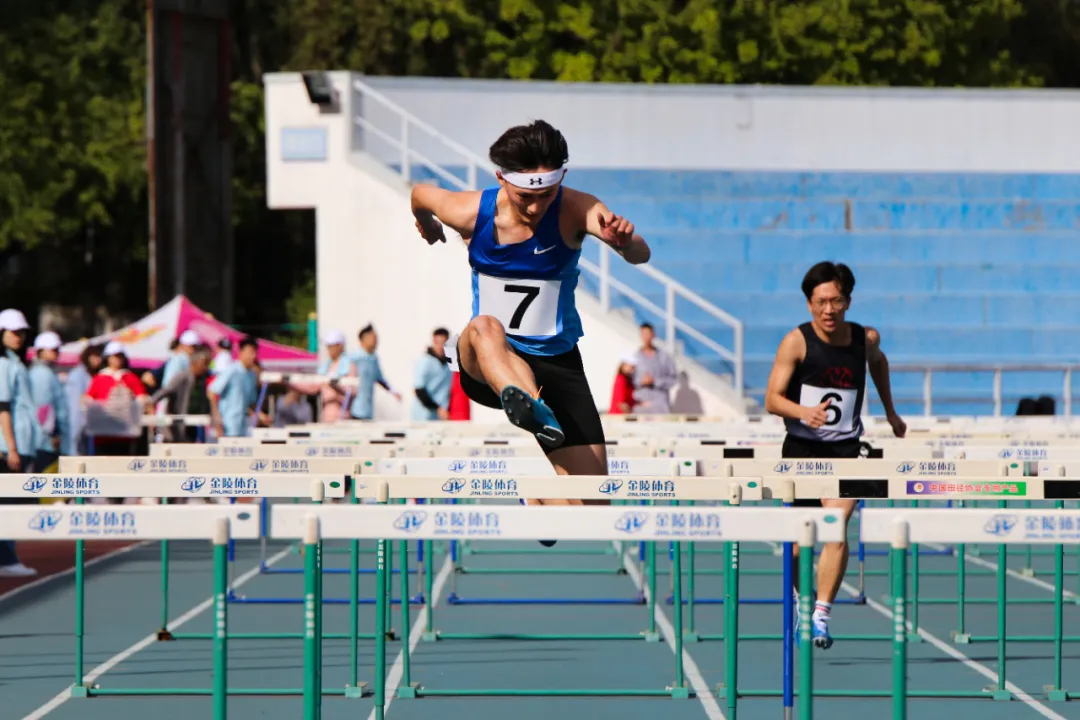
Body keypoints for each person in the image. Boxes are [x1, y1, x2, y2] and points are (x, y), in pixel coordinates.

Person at [410, 119, 651, 526]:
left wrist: (627, 245)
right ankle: (527, 404)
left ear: (563, 179)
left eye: (547, 195)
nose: (536, 207)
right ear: (501, 179)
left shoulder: (579, 207)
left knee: (594, 511)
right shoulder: (469, 211)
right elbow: (420, 193)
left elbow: (641, 255)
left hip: (557, 363)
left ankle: (538, 498)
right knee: (485, 326)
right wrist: (429, 223)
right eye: (525, 198)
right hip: (487, 361)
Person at [764, 261, 906, 650]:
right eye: (821, 301)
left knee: (834, 525)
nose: (829, 309)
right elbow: (772, 399)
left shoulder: (865, 339)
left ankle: (821, 615)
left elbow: (879, 364)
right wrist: (802, 412)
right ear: (809, 303)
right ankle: (800, 599)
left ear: (848, 301)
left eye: (837, 301)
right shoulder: (796, 342)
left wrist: (890, 412)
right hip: (801, 451)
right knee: (797, 543)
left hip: (846, 450)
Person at [0, 309, 41, 577]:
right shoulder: (3, 365)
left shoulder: (15, 363)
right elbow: (3, 408)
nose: (19, 337)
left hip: (21, 444)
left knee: (13, 502)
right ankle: (7, 559)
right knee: (8, 504)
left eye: (22, 332)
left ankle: (8, 557)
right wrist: (11, 448)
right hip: (9, 447)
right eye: (14, 332)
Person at [27, 331, 70, 469]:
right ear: (40, 351)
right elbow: (43, 410)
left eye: (57, 349)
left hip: (43, 440)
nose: (57, 352)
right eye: (53, 349)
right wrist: (53, 435)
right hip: (45, 442)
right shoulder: (42, 374)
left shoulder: (44, 371)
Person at [208, 336, 260, 437]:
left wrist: (260, 416)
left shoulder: (251, 375)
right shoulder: (231, 370)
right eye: (250, 352)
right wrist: (217, 417)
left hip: (243, 426)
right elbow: (211, 391)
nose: (253, 356)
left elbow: (250, 403)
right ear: (241, 352)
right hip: (227, 425)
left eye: (255, 352)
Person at [348, 325, 400, 420]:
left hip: (368, 410)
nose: (376, 341)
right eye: (373, 337)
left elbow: (379, 378)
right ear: (363, 339)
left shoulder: (373, 359)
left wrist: (393, 391)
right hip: (354, 409)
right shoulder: (354, 358)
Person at [65, 343, 104, 455]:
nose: (98, 360)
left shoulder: (94, 375)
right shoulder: (78, 375)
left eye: (100, 356)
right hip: (78, 429)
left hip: (90, 429)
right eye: (94, 356)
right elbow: (74, 407)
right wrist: (75, 433)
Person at [632, 322, 678, 414]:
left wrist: (655, 381)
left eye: (648, 334)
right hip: (641, 402)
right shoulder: (636, 357)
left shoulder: (664, 357)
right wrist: (641, 381)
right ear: (640, 336)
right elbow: (630, 380)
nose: (646, 337)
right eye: (643, 334)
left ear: (653, 335)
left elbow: (673, 379)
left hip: (660, 403)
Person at [412, 328, 453, 421]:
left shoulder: (449, 366)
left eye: (444, 343)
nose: (441, 347)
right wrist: (437, 408)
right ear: (433, 341)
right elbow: (418, 389)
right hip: (423, 416)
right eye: (438, 343)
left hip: (441, 417)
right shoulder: (425, 362)